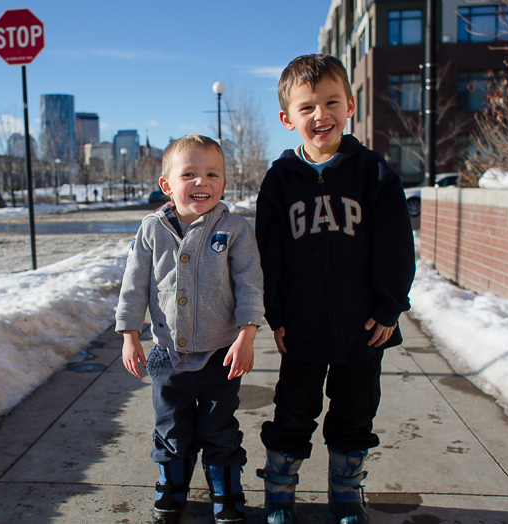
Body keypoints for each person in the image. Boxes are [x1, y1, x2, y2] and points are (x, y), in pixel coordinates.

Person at [254, 54, 415, 524]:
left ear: (350, 105)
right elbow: (268, 254)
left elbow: (395, 246)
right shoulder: (279, 180)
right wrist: (275, 314)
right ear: (287, 119)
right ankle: (279, 492)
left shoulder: (373, 172)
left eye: (330, 102)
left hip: (363, 326)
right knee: (293, 411)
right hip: (301, 327)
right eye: (306, 107)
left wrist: (389, 307)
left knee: (355, 412)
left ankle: (345, 492)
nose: (320, 115)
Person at [115, 134, 264, 524]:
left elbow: (250, 284)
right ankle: (172, 488)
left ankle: (226, 492)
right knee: (170, 427)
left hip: (221, 356)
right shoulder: (151, 229)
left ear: (224, 184)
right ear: (167, 184)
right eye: (189, 174)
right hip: (168, 356)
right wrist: (130, 335)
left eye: (212, 174)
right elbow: (134, 285)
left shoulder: (234, 229)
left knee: (220, 428)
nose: (202, 182)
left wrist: (247, 335)